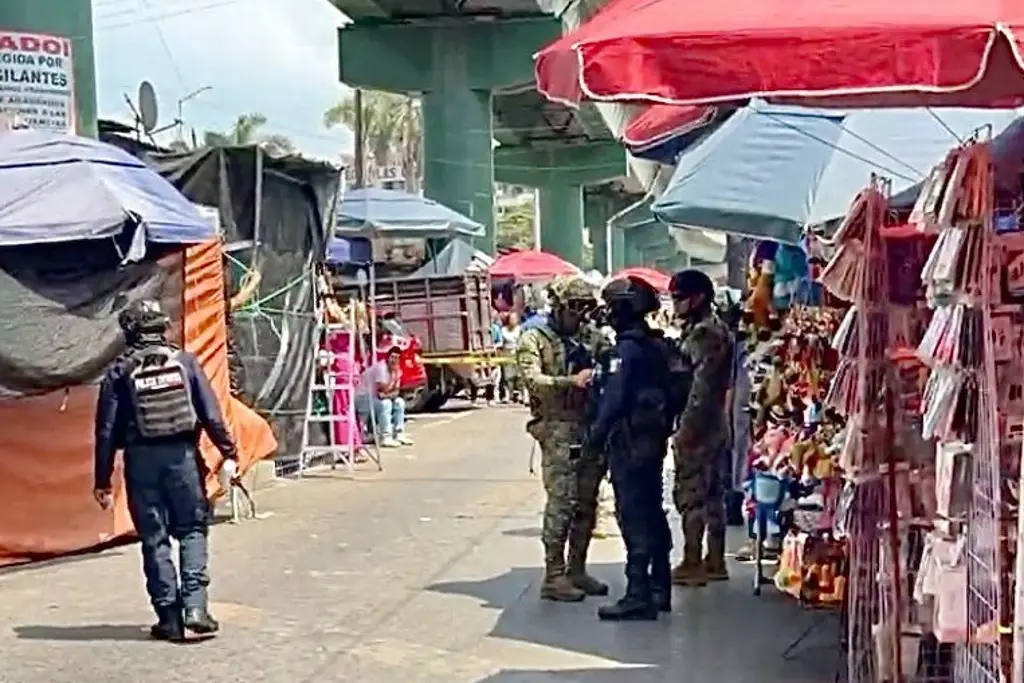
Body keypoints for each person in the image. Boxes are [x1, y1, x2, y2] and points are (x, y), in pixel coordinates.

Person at [93, 300, 239, 642]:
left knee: (154, 538)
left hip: (140, 462)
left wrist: (101, 480)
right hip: (183, 458)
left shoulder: (119, 371)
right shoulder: (185, 362)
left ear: (130, 332)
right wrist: (229, 452)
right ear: (162, 327)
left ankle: (169, 619)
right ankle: (196, 607)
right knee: (192, 529)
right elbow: (211, 415)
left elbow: (106, 431)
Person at [588, 277, 680, 620]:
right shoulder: (657, 346)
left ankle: (637, 593)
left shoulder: (627, 350)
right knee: (653, 510)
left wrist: (594, 437)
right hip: (652, 441)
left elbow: (614, 399)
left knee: (634, 515)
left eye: (613, 306)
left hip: (629, 443)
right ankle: (660, 586)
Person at [516, 275, 609, 602]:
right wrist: (570, 382)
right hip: (557, 426)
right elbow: (532, 379)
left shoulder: (588, 336)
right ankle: (553, 575)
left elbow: (610, 358)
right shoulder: (534, 338)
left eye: (585, 309)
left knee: (587, 501)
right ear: (558, 307)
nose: (580, 316)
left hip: (588, 425)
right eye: (574, 309)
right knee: (562, 502)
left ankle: (577, 568)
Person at [668, 269, 735, 586]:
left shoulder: (704, 334)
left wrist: (685, 431)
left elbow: (700, 388)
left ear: (698, 298)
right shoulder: (714, 329)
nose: (675, 304)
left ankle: (693, 561)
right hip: (716, 423)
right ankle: (715, 559)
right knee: (713, 495)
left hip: (700, 424)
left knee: (692, 494)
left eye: (679, 298)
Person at [354, 345, 412, 448]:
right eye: (392, 357)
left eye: (397, 358)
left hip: (376, 397)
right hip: (363, 397)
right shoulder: (381, 368)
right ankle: (386, 437)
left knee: (399, 402)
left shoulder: (397, 370)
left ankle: (398, 433)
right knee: (386, 404)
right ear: (388, 357)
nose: (394, 360)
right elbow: (383, 389)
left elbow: (396, 392)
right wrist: (393, 381)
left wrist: (389, 392)